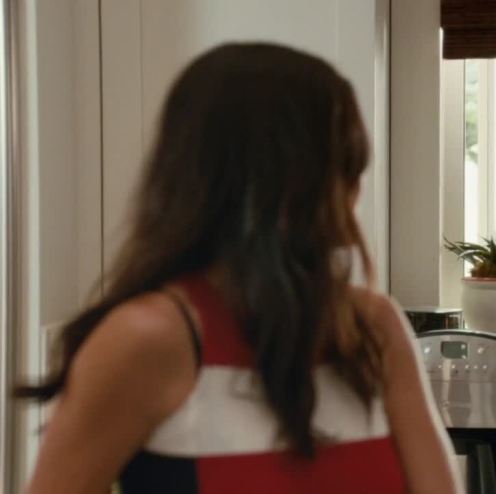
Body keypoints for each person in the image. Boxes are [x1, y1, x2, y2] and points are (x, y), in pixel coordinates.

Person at [17, 43, 462, 493]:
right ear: (285, 183)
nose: (354, 195)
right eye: (343, 169)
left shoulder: (372, 327)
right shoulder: (147, 340)